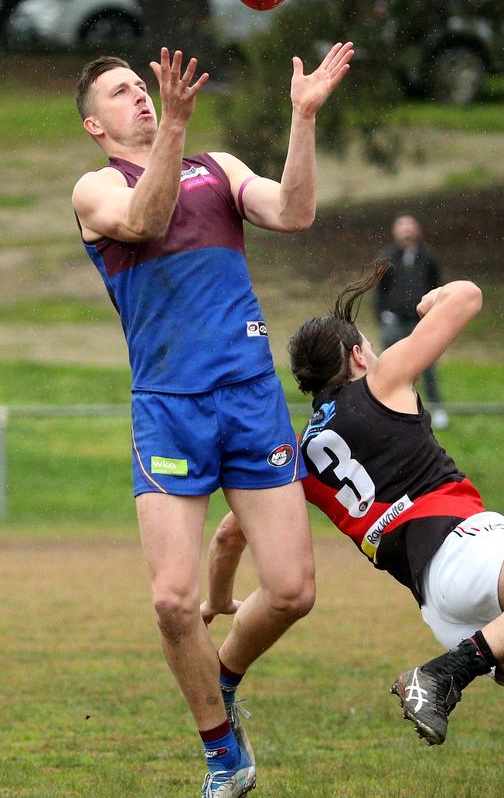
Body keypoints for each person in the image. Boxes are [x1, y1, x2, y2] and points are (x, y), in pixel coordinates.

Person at [203, 261, 504, 763]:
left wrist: (219, 599)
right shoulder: (380, 382)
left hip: (442, 608)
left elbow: (228, 537)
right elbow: (467, 296)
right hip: (467, 548)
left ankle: (454, 664)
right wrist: (429, 299)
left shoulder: (300, 457)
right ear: (356, 355)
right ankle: (443, 675)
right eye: (368, 347)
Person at [71, 41, 353, 798]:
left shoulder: (220, 167)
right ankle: (223, 753)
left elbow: (294, 212)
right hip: (168, 407)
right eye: (123, 93)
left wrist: (302, 119)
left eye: (143, 85)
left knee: (293, 589)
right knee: (171, 598)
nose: (141, 96)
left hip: (249, 398)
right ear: (96, 125)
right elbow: (145, 218)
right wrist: (174, 128)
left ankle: (223, 676)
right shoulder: (94, 188)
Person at [374, 214, 448, 429]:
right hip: (394, 320)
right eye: (402, 227)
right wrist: (383, 314)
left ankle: (436, 408)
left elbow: (436, 286)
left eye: (410, 227)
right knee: (390, 365)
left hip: (421, 321)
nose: (406, 231)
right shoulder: (387, 257)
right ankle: (387, 408)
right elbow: (379, 290)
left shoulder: (428, 257)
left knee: (428, 366)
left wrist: (433, 315)